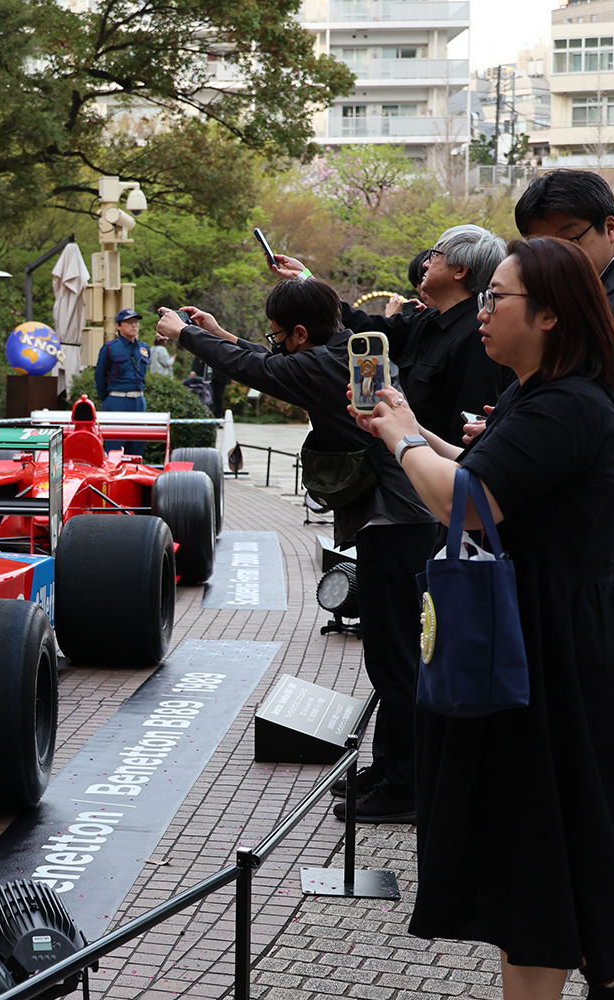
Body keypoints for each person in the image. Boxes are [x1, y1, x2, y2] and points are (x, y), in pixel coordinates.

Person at [352, 237, 614, 1000]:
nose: (482, 311)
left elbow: (468, 502)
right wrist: (410, 423)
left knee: (540, 861)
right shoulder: (535, 396)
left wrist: (402, 438)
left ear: (548, 315)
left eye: (497, 298)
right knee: (531, 857)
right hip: (533, 641)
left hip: (557, 656)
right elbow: (479, 472)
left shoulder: (569, 404)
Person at [156, 280, 438, 823]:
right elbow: (274, 364)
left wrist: (187, 334)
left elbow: (264, 371)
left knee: (395, 657)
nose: (276, 344)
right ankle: (394, 769)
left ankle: (405, 786)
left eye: (280, 335)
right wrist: (222, 335)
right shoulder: (345, 350)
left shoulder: (324, 363)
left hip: (397, 523)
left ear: (302, 332)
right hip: (404, 519)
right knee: (390, 654)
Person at [274, 224, 513, 446]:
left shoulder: (478, 334)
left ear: (460, 270)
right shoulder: (427, 321)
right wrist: (307, 281)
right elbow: (361, 326)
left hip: (433, 474)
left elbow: (466, 426)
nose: (425, 265)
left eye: (434, 255)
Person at [516, 169, 614, 596]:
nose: (555, 257)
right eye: (541, 247)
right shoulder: (593, 302)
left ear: (611, 228)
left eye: (569, 240)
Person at [94, 307, 152, 455]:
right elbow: (100, 377)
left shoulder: (144, 348)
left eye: (136, 322)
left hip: (139, 401)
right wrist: (108, 399)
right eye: (129, 322)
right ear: (118, 326)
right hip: (117, 400)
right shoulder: (110, 348)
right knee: (114, 448)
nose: (134, 326)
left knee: (137, 447)